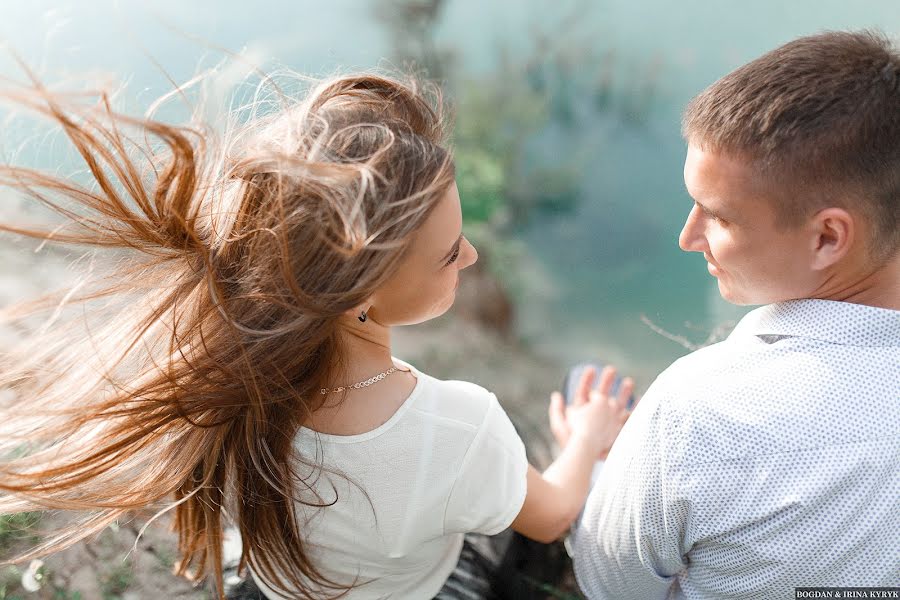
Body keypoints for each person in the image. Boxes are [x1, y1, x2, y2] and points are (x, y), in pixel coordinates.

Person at [0, 72, 634, 599]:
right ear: (359, 293)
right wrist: (585, 439)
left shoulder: (213, 387)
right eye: (448, 254)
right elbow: (552, 517)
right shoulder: (461, 425)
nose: (470, 257)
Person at [573, 30, 900, 599]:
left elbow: (609, 587)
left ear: (827, 237)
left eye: (718, 217)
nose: (687, 236)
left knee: (586, 390)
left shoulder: (695, 409)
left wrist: (592, 461)